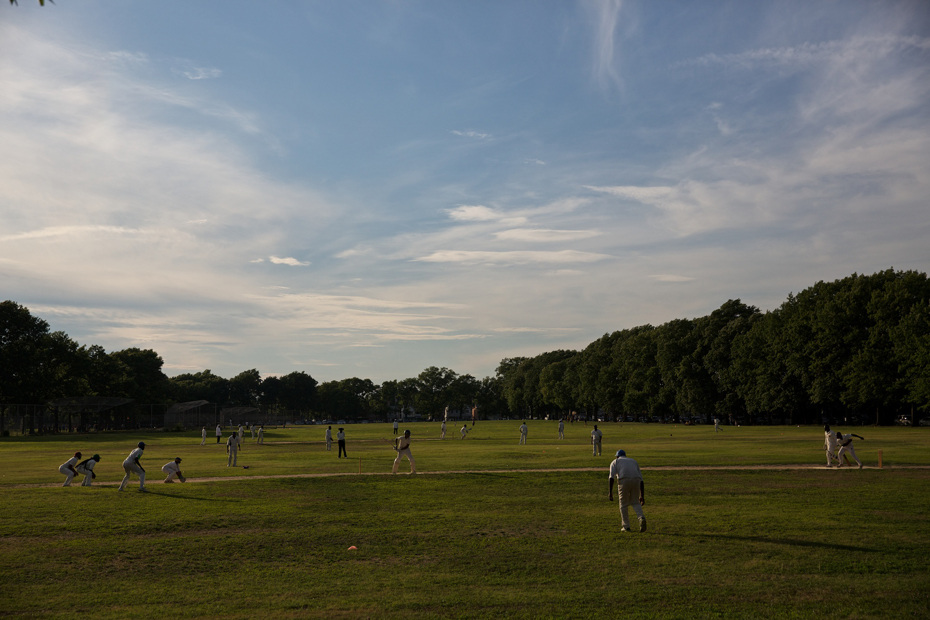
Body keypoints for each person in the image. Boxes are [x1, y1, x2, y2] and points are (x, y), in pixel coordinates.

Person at [607, 449, 646, 533]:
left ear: (617, 456)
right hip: (636, 480)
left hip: (623, 480)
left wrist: (610, 492)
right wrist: (642, 496)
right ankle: (641, 517)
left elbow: (611, 477)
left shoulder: (615, 461)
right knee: (635, 502)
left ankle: (626, 526)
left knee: (623, 504)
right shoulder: (633, 461)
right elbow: (641, 480)